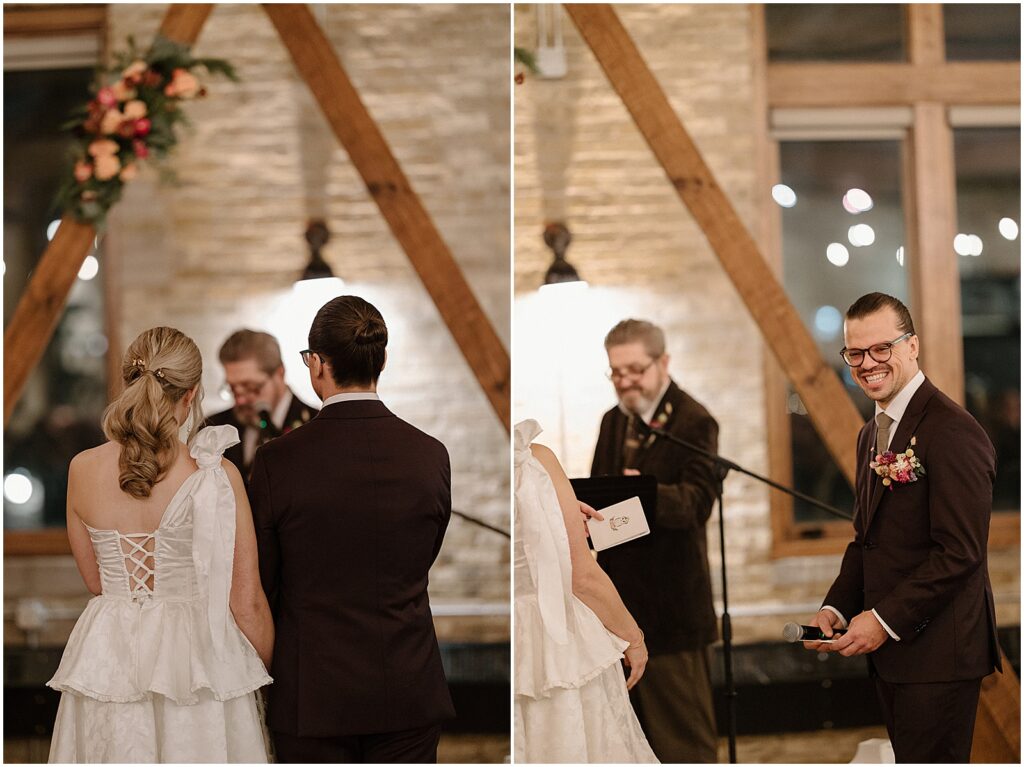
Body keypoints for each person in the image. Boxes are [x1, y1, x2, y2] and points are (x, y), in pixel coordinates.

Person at [47, 326, 274, 763]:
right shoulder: (214, 474)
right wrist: (261, 677)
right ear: (191, 395)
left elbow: (96, 581)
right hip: (196, 661)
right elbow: (246, 602)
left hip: (108, 657)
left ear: (130, 382)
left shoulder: (82, 469)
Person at [250, 295, 455, 763]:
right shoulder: (431, 453)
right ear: (380, 360)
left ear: (317, 363)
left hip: (313, 695)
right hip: (409, 685)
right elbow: (424, 554)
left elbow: (266, 581)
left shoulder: (277, 461)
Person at [803, 293, 1001, 763]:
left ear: (912, 346)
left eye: (881, 349)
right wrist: (837, 606)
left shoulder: (952, 431)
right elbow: (866, 539)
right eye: (855, 352)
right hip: (896, 657)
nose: (867, 363)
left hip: (940, 656)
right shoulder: (872, 432)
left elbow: (960, 553)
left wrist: (883, 620)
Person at [591, 319, 720, 763]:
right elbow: (600, 494)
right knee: (632, 742)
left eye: (635, 370)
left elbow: (696, 504)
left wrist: (642, 491)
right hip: (621, 608)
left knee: (684, 744)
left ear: (663, 362)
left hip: (673, 610)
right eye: (616, 372)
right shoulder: (612, 422)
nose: (625, 382)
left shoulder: (694, 421)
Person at [514, 419, 658, 763]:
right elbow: (582, 576)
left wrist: (553, 513)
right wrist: (633, 638)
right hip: (555, 643)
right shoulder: (533, 457)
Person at [206, 329, 316, 481]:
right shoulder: (213, 428)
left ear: (280, 373)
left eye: (252, 388)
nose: (240, 401)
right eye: (233, 389)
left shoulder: (315, 425)